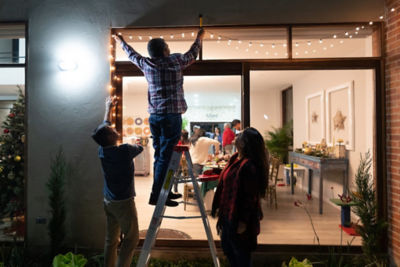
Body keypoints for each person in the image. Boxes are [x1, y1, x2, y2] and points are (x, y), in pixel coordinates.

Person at [114, 28, 205, 207]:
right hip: (172, 116)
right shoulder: (176, 60)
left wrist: (121, 41)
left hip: (155, 117)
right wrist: (199, 37)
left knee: (161, 156)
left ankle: (164, 192)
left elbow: (131, 54)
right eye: (167, 46)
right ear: (164, 50)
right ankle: (157, 195)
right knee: (165, 157)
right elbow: (193, 53)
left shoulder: (147, 63)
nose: (169, 49)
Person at [91, 96, 143, 267]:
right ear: (110, 137)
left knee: (111, 239)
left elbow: (104, 125)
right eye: (112, 130)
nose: (114, 130)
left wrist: (108, 107)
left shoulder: (102, 150)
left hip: (108, 200)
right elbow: (140, 147)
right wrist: (137, 141)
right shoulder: (125, 150)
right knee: (132, 238)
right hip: (124, 202)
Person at [211, 127, 269, 267]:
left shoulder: (249, 166)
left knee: (240, 256)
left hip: (239, 218)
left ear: (244, 143)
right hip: (228, 213)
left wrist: (243, 222)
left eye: (240, 135)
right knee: (230, 251)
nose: (236, 135)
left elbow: (250, 197)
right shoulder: (236, 159)